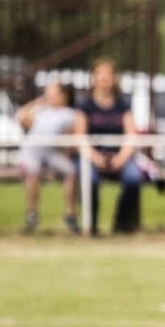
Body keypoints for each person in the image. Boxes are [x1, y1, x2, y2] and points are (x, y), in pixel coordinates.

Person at [77, 58, 145, 236]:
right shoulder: (85, 105)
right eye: (100, 73)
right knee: (89, 180)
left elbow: (131, 134)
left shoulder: (123, 104)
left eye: (108, 74)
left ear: (115, 78)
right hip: (93, 158)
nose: (104, 78)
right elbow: (79, 137)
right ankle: (91, 225)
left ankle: (121, 224)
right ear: (94, 77)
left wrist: (121, 158)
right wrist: (96, 158)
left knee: (133, 178)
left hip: (119, 157)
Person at [16, 81, 80, 235]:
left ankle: (70, 214)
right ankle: (33, 213)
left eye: (53, 92)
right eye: (47, 92)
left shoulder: (69, 114)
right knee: (33, 172)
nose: (49, 95)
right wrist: (37, 103)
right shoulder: (40, 111)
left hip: (50, 152)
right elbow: (21, 118)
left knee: (70, 171)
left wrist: (67, 149)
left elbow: (73, 134)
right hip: (31, 151)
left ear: (63, 96)